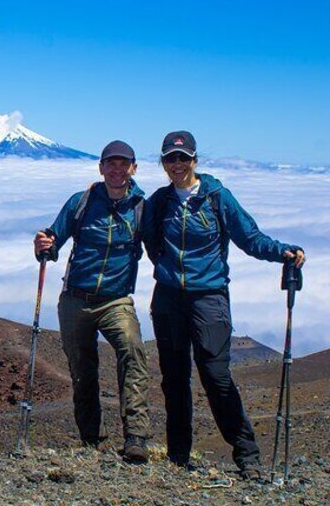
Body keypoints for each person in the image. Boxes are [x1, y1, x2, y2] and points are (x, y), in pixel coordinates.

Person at [143, 131, 306, 480]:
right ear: (163, 163)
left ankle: (247, 454)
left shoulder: (217, 197)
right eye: (170, 158)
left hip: (209, 298)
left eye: (182, 158)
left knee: (216, 377)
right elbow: (150, 243)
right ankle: (177, 456)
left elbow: (249, 237)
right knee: (174, 379)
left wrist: (282, 251)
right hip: (169, 297)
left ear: (194, 160)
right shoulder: (159, 202)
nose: (176, 164)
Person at [33, 140, 150, 463]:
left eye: (123, 164)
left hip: (116, 300)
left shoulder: (142, 208)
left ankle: (136, 437)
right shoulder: (81, 202)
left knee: (132, 352)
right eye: (110, 164)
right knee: (82, 369)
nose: (116, 170)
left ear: (133, 168)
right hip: (75, 299)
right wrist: (43, 245)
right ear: (100, 168)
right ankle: (90, 438)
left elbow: (160, 247)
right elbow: (54, 241)